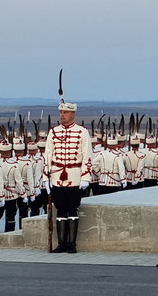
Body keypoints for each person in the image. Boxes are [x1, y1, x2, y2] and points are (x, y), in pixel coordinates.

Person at [43, 101, 93, 254]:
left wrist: (85, 177)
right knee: (60, 209)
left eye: (65, 112)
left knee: (72, 209)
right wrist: (46, 178)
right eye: (61, 112)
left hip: (75, 176)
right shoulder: (53, 132)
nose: (62, 115)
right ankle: (61, 244)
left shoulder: (82, 132)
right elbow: (47, 156)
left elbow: (87, 156)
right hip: (57, 176)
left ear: (72, 114)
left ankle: (72, 244)